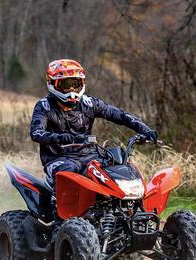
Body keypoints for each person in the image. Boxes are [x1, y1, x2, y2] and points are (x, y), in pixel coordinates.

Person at [30, 59, 157, 192]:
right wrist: (63, 138)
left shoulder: (89, 103)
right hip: (58, 158)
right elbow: (36, 133)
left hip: (89, 154)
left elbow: (120, 115)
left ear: (82, 83)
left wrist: (145, 130)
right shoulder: (44, 106)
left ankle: (129, 205)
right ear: (52, 84)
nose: (71, 90)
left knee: (120, 162)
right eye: (66, 85)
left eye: (75, 84)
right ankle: (61, 208)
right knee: (69, 172)